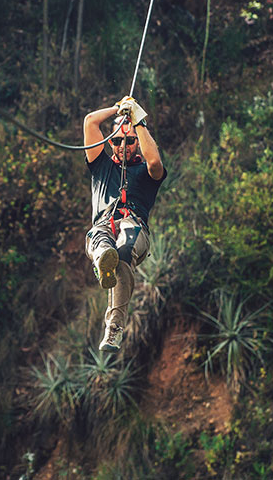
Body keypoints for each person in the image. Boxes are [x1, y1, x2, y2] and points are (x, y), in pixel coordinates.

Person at [83, 96, 167, 353]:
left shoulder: (146, 170)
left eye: (129, 141)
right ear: (110, 143)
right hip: (102, 227)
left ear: (138, 144)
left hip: (134, 227)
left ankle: (114, 329)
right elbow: (90, 122)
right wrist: (117, 109)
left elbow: (155, 163)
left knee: (122, 250)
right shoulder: (101, 165)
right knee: (104, 243)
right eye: (117, 141)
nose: (123, 145)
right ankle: (102, 261)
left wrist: (137, 121)